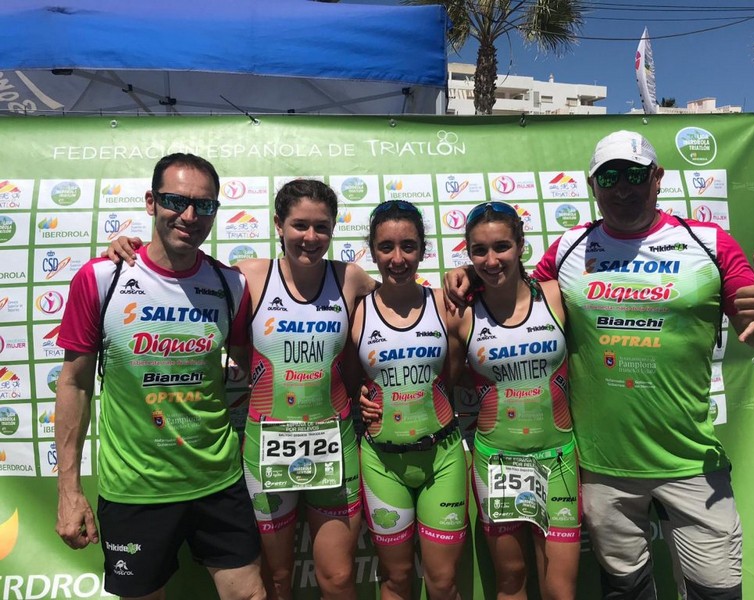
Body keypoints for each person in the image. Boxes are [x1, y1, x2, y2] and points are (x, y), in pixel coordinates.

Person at [445, 131, 754, 600]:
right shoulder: (571, 249)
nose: (623, 187)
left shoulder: (708, 243)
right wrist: (473, 273)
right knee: (626, 590)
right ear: (594, 185)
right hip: (602, 467)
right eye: (609, 176)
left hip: (690, 462)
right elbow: (513, 289)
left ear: (657, 178)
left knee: (716, 590)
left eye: (635, 175)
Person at [55, 153, 267, 600]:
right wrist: (69, 491)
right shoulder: (101, 278)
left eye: (204, 205)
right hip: (136, 489)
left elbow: (247, 367)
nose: (189, 216)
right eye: (176, 200)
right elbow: (74, 384)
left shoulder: (231, 285)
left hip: (218, 481)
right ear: (152, 202)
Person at [236, 179, 376, 599]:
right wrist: (125, 251)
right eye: (300, 225)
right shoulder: (249, 276)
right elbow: (176, 278)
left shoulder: (348, 277)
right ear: (278, 224)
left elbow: (409, 306)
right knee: (278, 579)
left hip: (334, 444)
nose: (311, 238)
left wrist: (466, 279)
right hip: (267, 447)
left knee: (336, 578)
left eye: (322, 227)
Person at [452, 201, 579, 600]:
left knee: (560, 589)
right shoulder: (460, 312)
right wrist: (373, 397)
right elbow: (435, 376)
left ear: (521, 244)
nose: (491, 260)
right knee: (511, 580)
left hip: (558, 456)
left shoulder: (558, 296)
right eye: (479, 251)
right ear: (469, 253)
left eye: (502, 247)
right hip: (498, 461)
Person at [352, 200, 468, 600]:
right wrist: (358, 398)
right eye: (386, 247)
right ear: (371, 250)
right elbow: (347, 381)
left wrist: (465, 271)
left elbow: (452, 376)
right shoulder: (356, 310)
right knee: (397, 579)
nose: (397, 259)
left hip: (443, 458)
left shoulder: (445, 304)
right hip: (382, 463)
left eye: (409, 247)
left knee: (443, 582)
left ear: (423, 249)